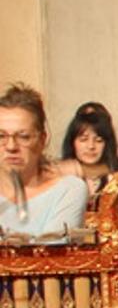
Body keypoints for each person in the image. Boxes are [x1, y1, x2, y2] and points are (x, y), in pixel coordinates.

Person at [0, 84, 88, 239]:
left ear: (42, 139)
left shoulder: (69, 189)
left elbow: (51, 254)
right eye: (1, 137)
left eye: (23, 136)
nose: (11, 146)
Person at [57, 101, 118, 202]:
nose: (91, 146)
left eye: (98, 140)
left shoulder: (117, 179)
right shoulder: (59, 177)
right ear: (72, 142)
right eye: (83, 139)